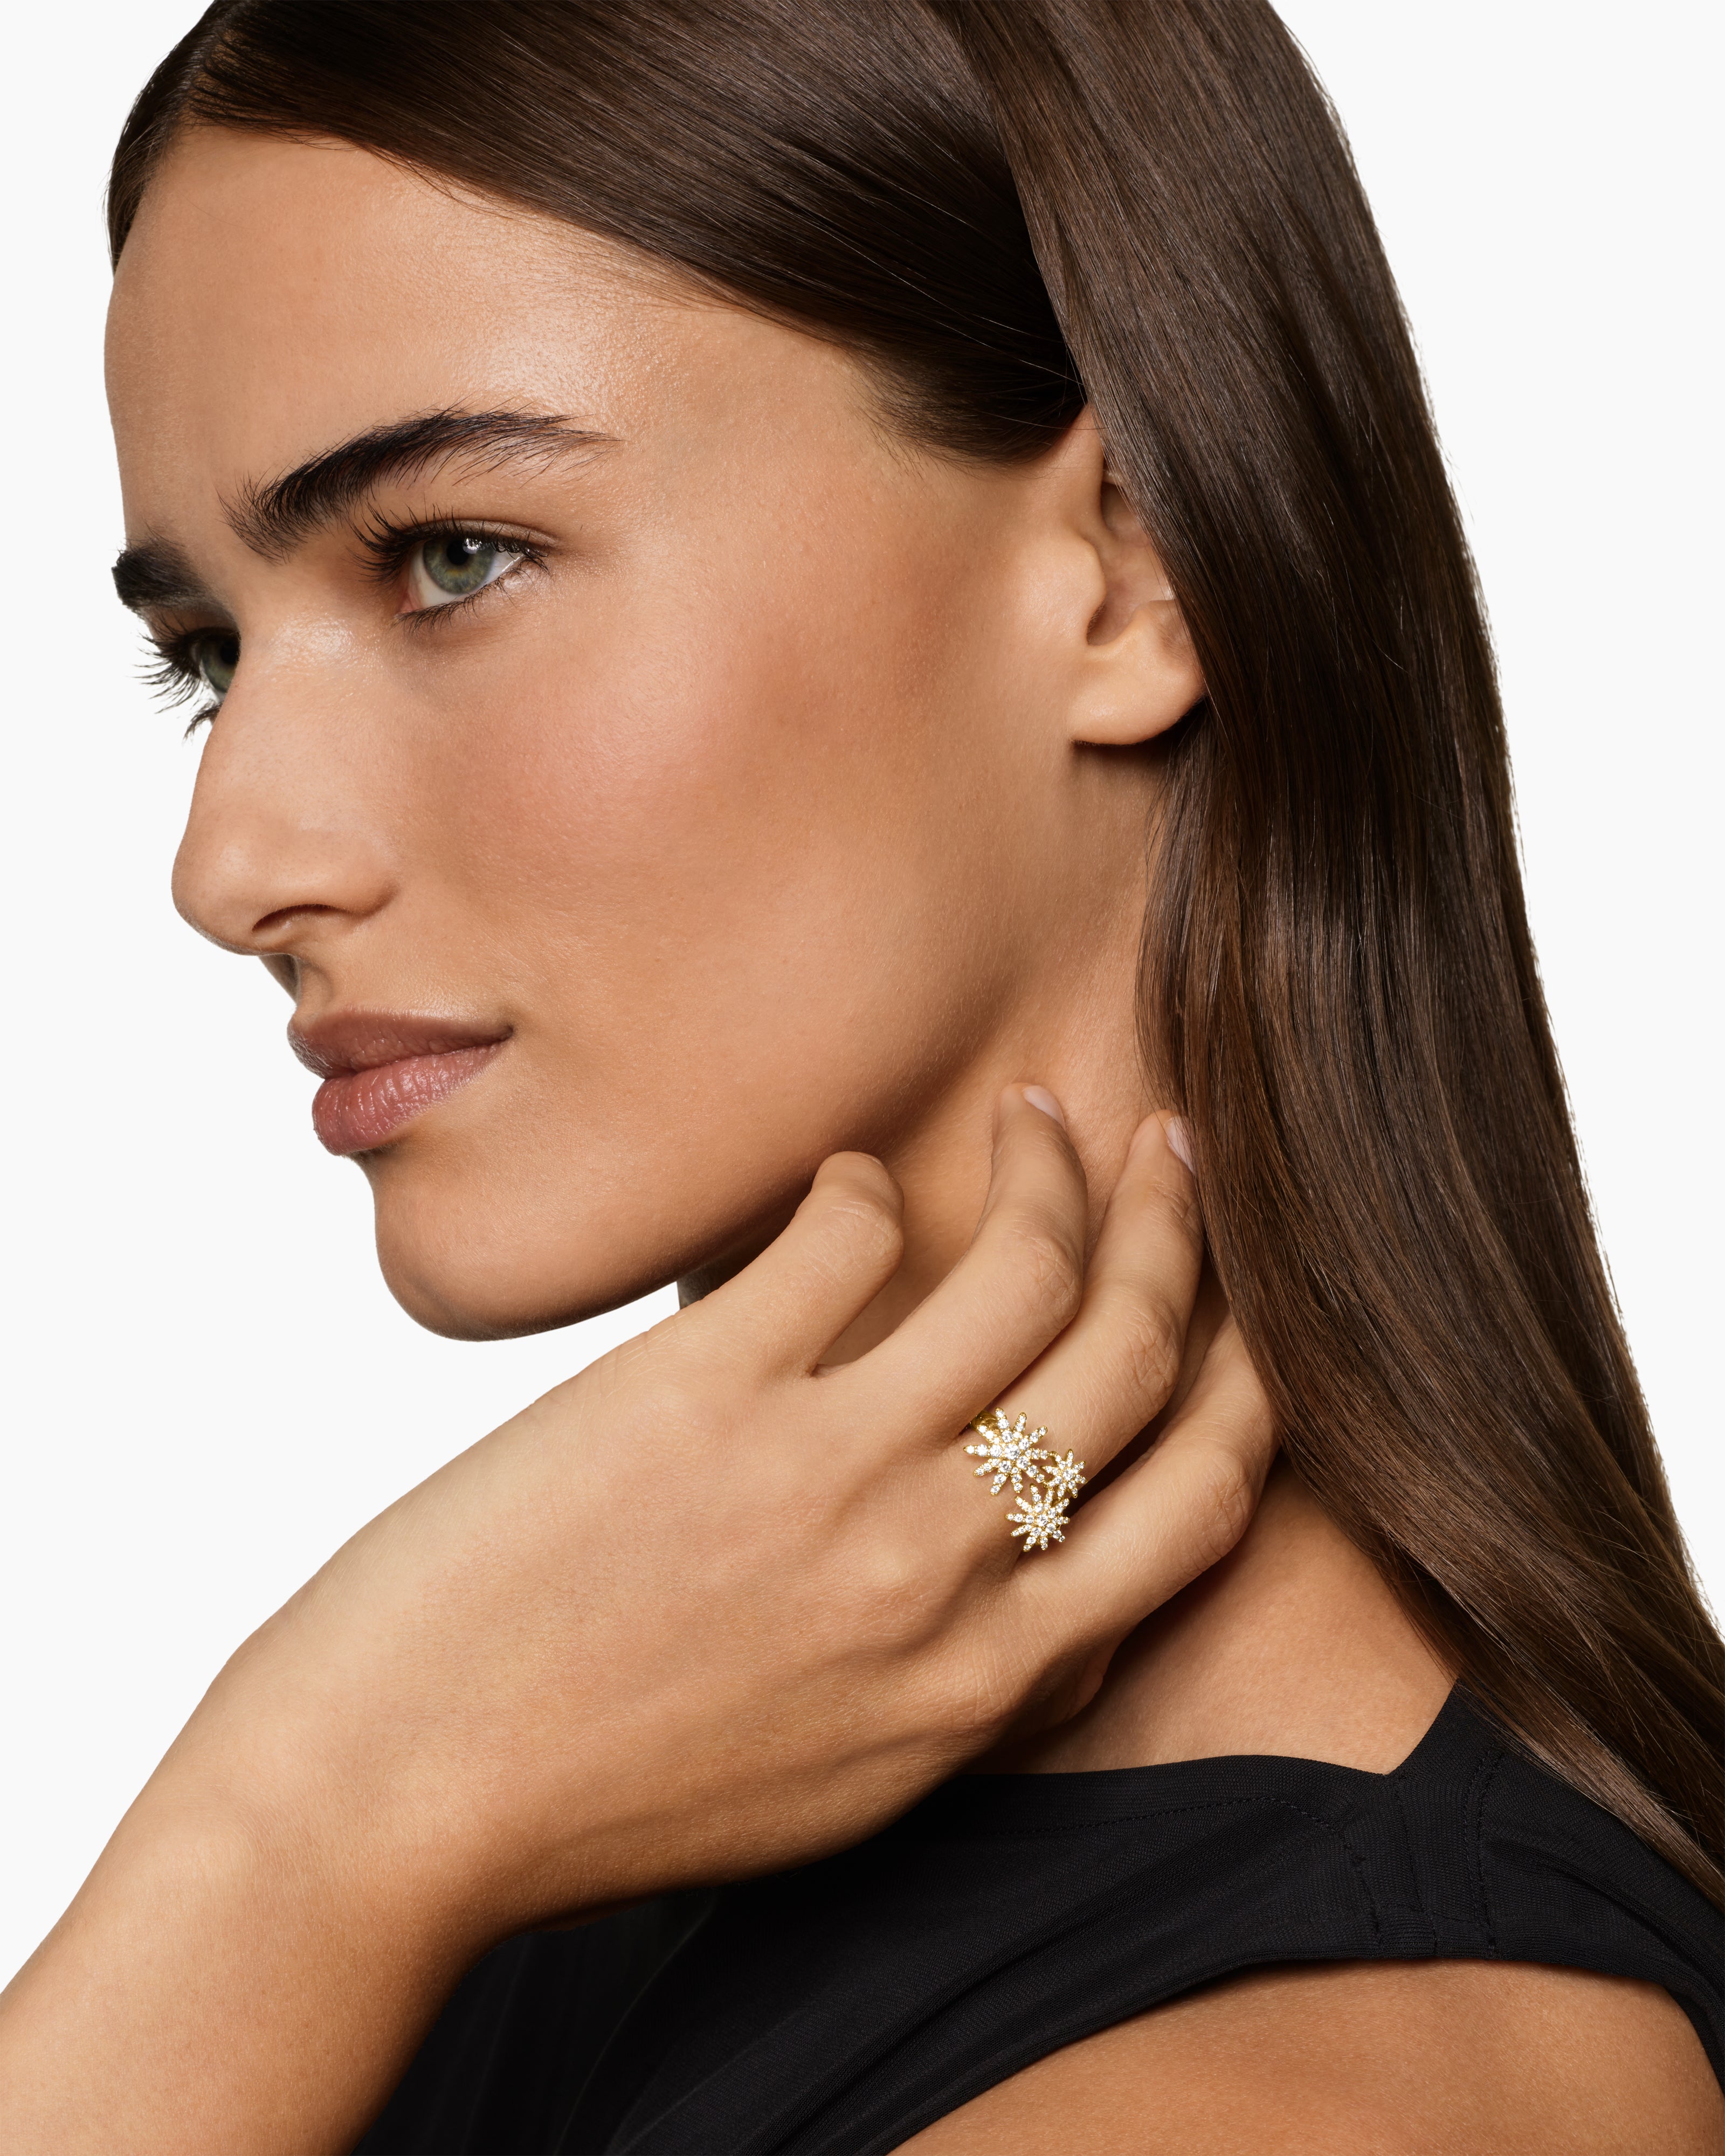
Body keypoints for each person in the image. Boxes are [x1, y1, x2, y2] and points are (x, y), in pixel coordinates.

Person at [3, 1, 1720, 2149]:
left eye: (454, 557)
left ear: (1130, 574)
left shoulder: (1304, 2100)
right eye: (209, 658)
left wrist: (315, 1822)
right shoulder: (616, 1793)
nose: (232, 862)